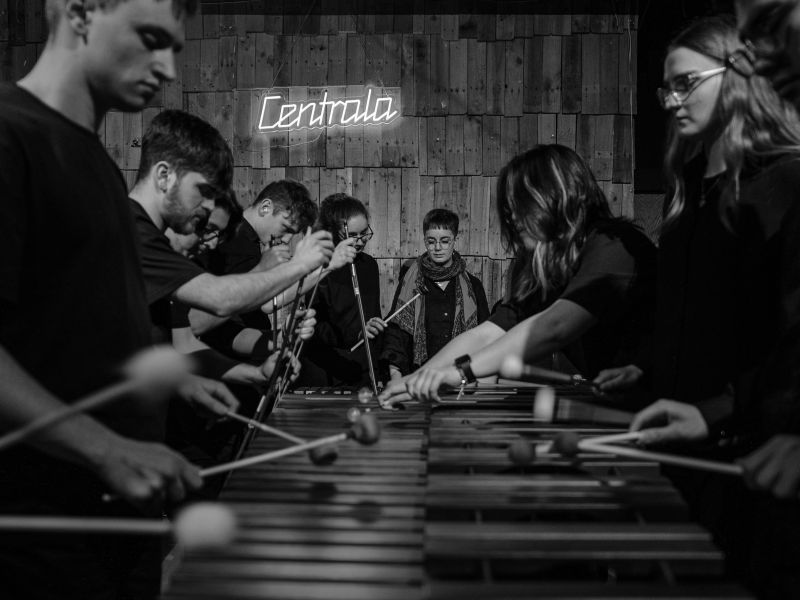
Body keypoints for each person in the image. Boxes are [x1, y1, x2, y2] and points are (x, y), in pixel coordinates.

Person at [0, 1, 206, 599]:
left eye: (174, 47)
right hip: (41, 538)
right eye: (151, 38)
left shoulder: (94, 161)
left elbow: (71, 332)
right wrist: (104, 446)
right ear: (79, 11)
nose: (167, 67)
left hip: (111, 523)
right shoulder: (10, 135)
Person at [596, 15, 800, 598]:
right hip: (679, 444)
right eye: (667, 88)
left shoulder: (786, 183)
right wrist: (648, 365)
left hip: (755, 457)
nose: (672, 100)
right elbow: (696, 314)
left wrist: (717, 412)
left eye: (686, 83)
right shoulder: (688, 191)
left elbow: (786, 336)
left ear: (738, 74)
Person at [379, 144, 656, 405]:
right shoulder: (547, 263)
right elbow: (488, 333)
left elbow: (555, 326)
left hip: (658, 402)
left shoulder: (615, 246)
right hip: (615, 401)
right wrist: (415, 381)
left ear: (555, 197)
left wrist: (459, 372)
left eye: (519, 205)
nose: (511, 217)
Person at [382, 208, 489, 381]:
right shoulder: (411, 282)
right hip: (419, 378)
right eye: (431, 241)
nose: (437, 248)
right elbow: (397, 331)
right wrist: (395, 374)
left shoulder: (473, 286)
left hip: (459, 378)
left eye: (445, 241)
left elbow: (484, 335)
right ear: (424, 240)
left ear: (455, 240)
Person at [301, 193, 386, 387]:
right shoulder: (319, 267)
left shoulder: (369, 265)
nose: (361, 241)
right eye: (352, 235)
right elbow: (316, 326)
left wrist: (378, 369)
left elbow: (372, 314)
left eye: (364, 232)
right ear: (332, 232)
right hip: (326, 368)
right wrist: (356, 334)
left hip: (363, 368)